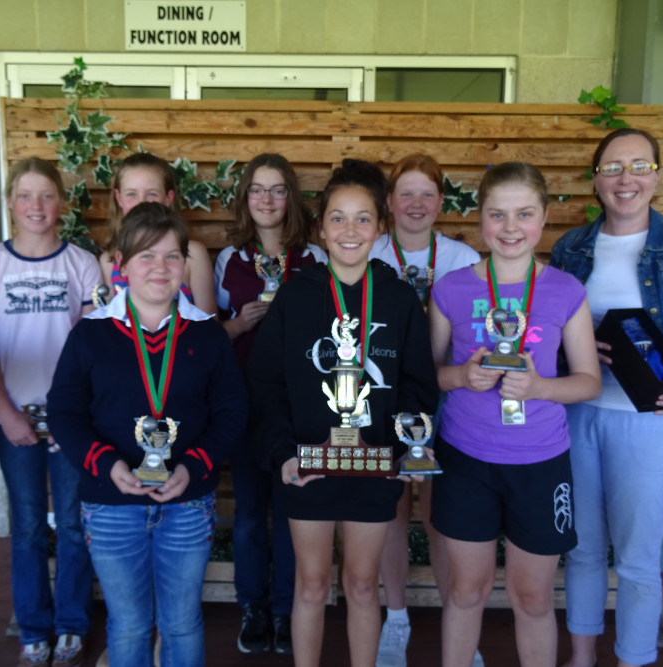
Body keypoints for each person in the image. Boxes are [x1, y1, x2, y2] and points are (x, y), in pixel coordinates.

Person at [550, 128, 663, 667]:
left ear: (656, 174)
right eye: (611, 168)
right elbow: (550, 329)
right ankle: (581, 659)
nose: (625, 178)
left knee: (636, 560)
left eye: (638, 165)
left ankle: (634, 658)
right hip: (579, 414)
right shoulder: (571, 248)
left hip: (652, 420)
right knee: (581, 550)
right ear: (596, 179)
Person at [249, 159, 438, 667]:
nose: (349, 230)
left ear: (381, 226)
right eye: (337, 218)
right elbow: (266, 385)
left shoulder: (398, 299)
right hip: (307, 467)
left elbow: (419, 388)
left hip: (374, 467)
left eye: (361, 219)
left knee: (360, 582)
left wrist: (403, 449)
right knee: (310, 583)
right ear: (320, 228)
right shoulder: (295, 296)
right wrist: (285, 454)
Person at [47, 202, 247, 667]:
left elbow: (232, 412)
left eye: (172, 256)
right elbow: (65, 412)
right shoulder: (90, 334)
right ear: (121, 265)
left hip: (187, 502)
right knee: (129, 624)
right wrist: (107, 464)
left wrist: (195, 465)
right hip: (111, 503)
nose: (161, 268)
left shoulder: (208, 335)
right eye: (146, 256)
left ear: (186, 263)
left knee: (181, 623)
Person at [429, 161, 601, 667]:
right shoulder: (451, 288)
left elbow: (589, 381)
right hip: (466, 459)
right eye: (497, 215)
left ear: (544, 218)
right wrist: (462, 376)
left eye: (523, 214)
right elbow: (427, 375)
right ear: (480, 220)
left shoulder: (566, 291)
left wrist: (541, 386)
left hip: (541, 463)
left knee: (532, 598)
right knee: (465, 591)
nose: (510, 228)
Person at [0, 157, 100, 667]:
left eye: (46, 195)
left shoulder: (82, 264)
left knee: (70, 522)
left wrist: (72, 418)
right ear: (9, 203)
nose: (36, 206)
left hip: (69, 417)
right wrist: (5, 411)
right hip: (14, 416)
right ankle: (33, 627)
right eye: (25, 196)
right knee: (25, 525)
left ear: (61, 203)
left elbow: (89, 351)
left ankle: (71, 623)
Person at [367, 153, 479, 667]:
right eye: (405, 193)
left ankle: (463, 627)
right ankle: (397, 619)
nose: (416, 204)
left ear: (440, 202)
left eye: (426, 194)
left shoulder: (462, 259)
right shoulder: (366, 252)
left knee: (442, 519)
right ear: (389, 203)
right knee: (390, 514)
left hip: (446, 406)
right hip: (383, 404)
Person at [214, 153, 327, 655]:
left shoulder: (315, 260)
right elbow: (209, 338)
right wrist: (238, 324)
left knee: (289, 512)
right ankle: (252, 607)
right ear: (245, 197)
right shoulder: (228, 260)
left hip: (297, 408)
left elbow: (331, 336)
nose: (266, 199)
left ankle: (286, 609)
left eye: (277, 189)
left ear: (291, 197)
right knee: (247, 514)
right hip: (242, 405)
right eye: (257, 189)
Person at [98, 152, 217, 314]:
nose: (142, 202)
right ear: (119, 198)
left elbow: (209, 325)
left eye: (152, 194)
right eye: (131, 194)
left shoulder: (193, 254)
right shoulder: (109, 260)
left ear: (168, 198)